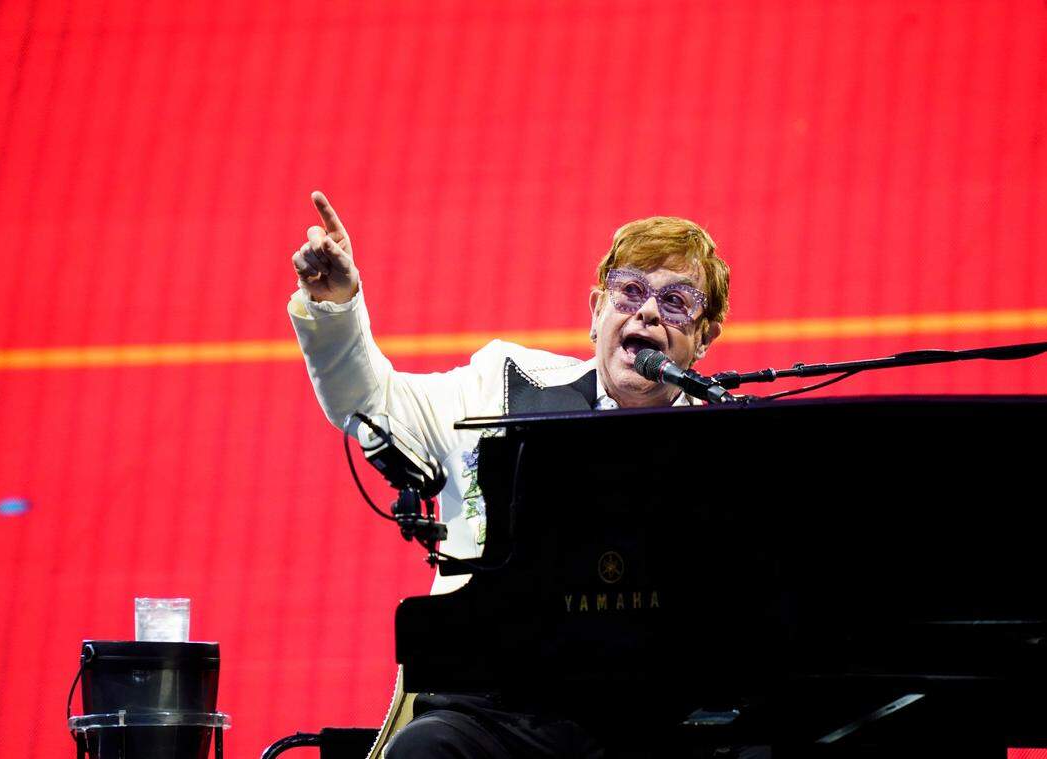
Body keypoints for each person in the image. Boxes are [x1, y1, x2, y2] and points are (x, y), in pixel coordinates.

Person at [289, 191, 732, 757]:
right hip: (497, 712)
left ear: (704, 337)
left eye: (675, 301)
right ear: (596, 309)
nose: (646, 312)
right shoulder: (499, 386)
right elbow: (370, 403)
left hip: (663, 716)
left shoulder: (728, 447)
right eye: (630, 292)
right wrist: (335, 309)